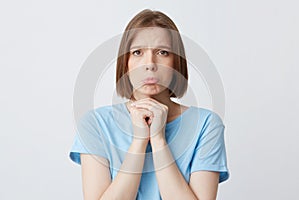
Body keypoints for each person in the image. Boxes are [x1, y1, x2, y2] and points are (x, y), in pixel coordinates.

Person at [69, 9, 229, 200]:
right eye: (137, 52)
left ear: (176, 63)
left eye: (163, 52)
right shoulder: (95, 124)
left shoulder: (206, 124)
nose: (150, 64)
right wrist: (139, 142)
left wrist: (159, 139)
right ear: (125, 62)